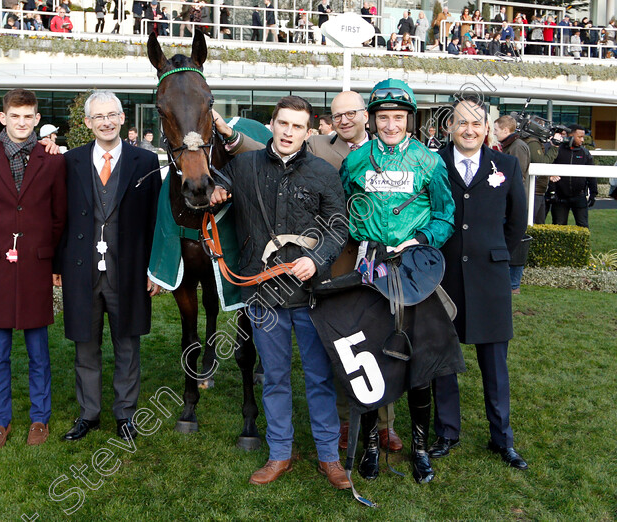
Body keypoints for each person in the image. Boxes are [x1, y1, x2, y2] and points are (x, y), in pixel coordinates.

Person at [209, 95, 351, 489]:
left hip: (311, 295)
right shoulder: (243, 165)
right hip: (264, 296)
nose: (289, 132)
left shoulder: (323, 173)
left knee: (320, 377)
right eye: (283, 123)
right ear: (272, 124)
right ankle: (280, 454)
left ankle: (328, 457)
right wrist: (216, 192)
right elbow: (211, 186)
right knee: (273, 378)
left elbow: (339, 226)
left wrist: (317, 258)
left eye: (297, 126)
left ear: (308, 132)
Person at [337, 80, 457, 484]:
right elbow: (339, 212)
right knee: (369, 355)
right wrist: (359, 232)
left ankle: (421, 449)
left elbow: (444, 215)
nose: (391, 125)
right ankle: (370, 445)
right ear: (372, 119)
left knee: (419, 358)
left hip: (413, 269)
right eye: (383, 117)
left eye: (398, 118)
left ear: (410, 119)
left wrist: (421, 239)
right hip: (369, 267)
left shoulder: (429, 161)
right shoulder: (355, 162)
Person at [431, 96, 529, 471]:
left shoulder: (504, 165)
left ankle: (502, 439)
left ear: (487, 128)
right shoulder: (434, 164)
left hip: (490, 280)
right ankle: (447, 433)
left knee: (495, 365)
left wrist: (492, 255)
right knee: (443, 360)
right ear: (450, 127)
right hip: (444, 278)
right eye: (461, 123)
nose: (469, 129)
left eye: (476, 123)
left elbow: (516, 222)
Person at [58, 91, 161, 443]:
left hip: (128, 271)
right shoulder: (69, 162)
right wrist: (59, 266)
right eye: (98, 116)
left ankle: (125, 414)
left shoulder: (144, 162)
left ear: (121, 118)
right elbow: (60, 219)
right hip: (81, 272)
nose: (105, 121)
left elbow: (154, 221)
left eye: (111, 115)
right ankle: (88, 414)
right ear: (88, 123)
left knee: (127, 345)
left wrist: (155, 269)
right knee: (85, 346)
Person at [0, 89, 67, 449]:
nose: (22, 122)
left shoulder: (53, 159)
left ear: (37, 118)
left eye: (28, 116)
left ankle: (39, 417)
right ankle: (0, 421)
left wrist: (49, 256)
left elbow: (60, 216)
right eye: (16, 116)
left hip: (36, 263)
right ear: (3, 117)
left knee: (38, 349)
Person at [494, 115, 530, 294]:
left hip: (512, 204)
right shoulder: (510, 146)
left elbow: (516, 177)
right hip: (506, 203)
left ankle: (514, 284)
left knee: (516, 242)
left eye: (496, 130)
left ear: (506, 130)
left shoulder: (517, 147)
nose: (494, 133)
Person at [550, 124, 595, 228]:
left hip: (579, 196)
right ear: (570, 136)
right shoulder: (557, 151)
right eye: (579, 137)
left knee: (583, 226)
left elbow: (591, 174)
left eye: (583, 137)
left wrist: (593, 192)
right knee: (559, 226)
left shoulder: (585, 153)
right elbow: (550, 171)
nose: (582, 140)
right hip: (560, 197)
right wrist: (552, 192)